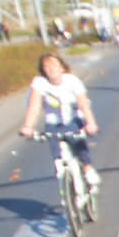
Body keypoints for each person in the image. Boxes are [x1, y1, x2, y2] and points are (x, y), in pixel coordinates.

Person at [18, 51, 100, 191]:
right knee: (56, 149)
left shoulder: (72, 81)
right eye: (46, 67)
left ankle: (88, 169)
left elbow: (83, 104)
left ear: (62, 67)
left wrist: (91, 123)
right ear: (43, 70)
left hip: (73, 119)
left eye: (54, 65)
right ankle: (65, 183)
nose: (51, 69)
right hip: (54, 124)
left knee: (78, 145)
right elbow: (34, 107)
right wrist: (28, 127)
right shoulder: (39, 83)